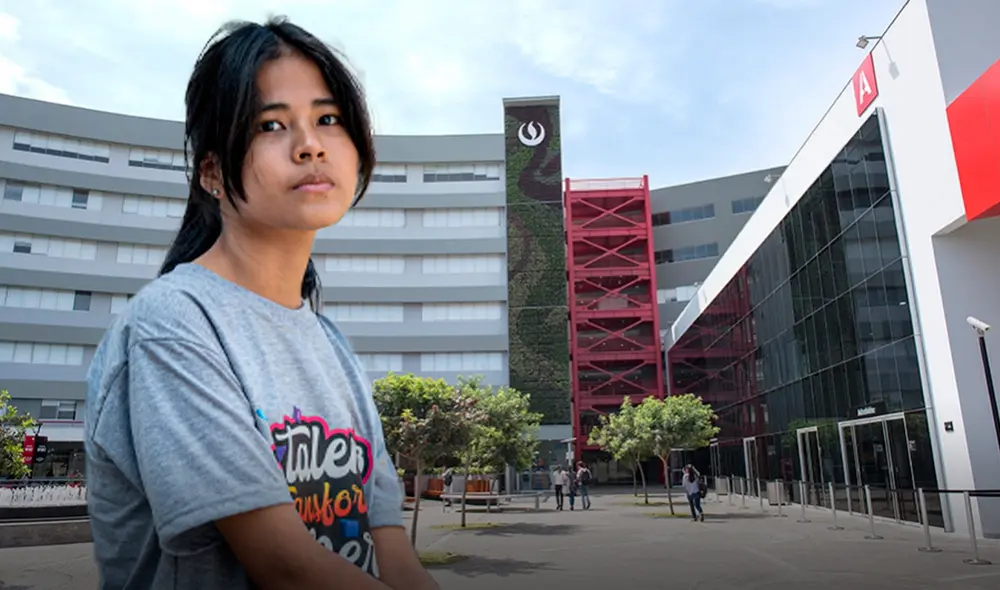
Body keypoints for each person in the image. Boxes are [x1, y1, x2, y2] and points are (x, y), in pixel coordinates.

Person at [82, 17, 439, 590]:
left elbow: (389, 546)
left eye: (328, 119)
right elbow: (285, 567)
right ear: (213, 172)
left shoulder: (331, 345)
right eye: (272, 125)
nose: (311, 145)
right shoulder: (173, 323)